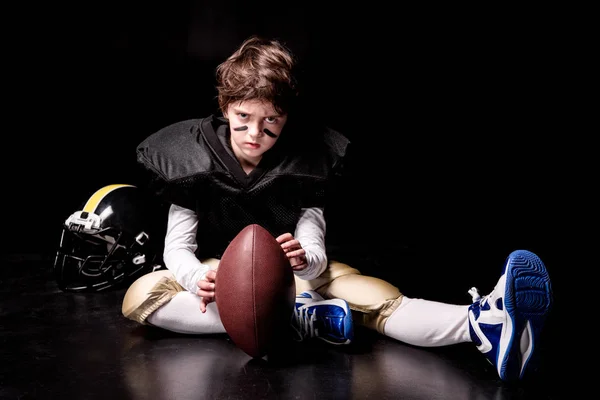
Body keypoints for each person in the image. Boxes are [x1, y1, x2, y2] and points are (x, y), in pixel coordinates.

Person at [121, 35, 553, 382]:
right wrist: (200, 277)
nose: (255, 133)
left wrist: (304, 261)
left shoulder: (307, 160)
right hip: (221, 272)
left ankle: (482, 325)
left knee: (378, 300)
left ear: (286, 118)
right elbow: (177, 247)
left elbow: (314, 243)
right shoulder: (189, 158)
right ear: (224, 106)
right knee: (140, 296)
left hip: (298, 276)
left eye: (271, 122)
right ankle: (298, 318)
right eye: (244, 118)